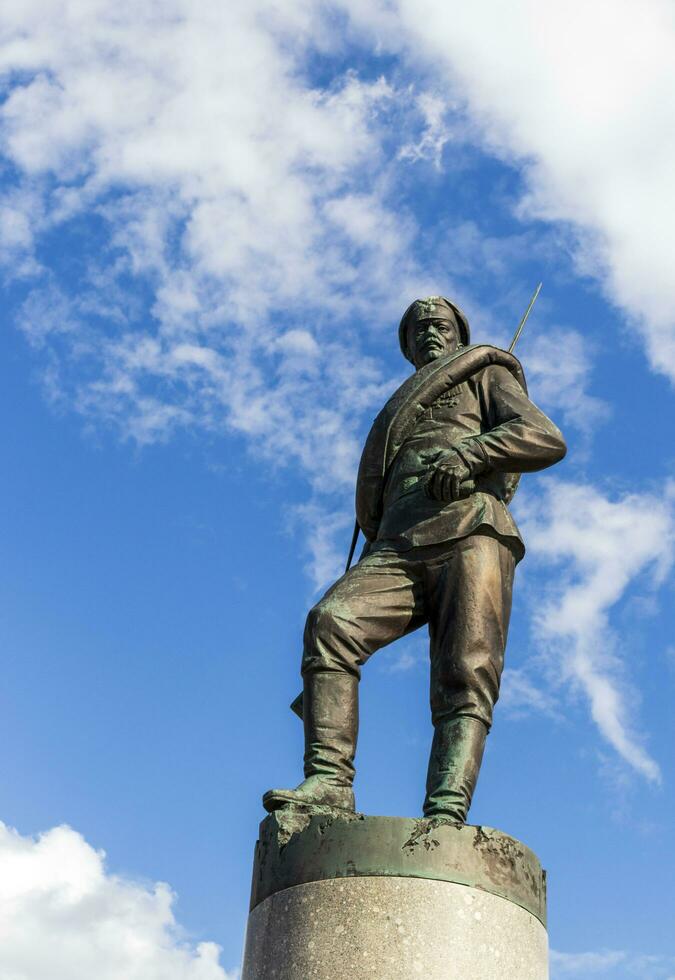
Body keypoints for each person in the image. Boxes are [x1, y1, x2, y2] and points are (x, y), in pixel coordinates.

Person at [263, 296, 566, 823]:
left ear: (459, 334)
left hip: (470, 528)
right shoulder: (402, 405)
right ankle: (330, 783)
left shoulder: (485, 373)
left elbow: (543, 437)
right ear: (406, 346)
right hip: (397, 544)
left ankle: (446, 813)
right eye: (418, 328)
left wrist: (473, 454)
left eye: (440, 324)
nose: (429, 332)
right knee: (330, 623)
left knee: (464, 671)